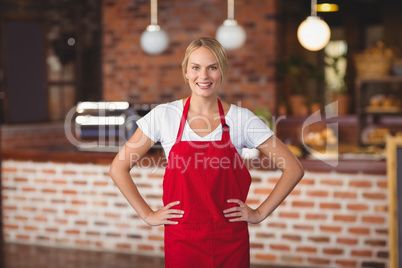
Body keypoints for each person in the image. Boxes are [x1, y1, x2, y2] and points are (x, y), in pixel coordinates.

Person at [109, 37, 304, 268]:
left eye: (212, 67)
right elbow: (118, 168)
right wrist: (147, 215)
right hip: (182, 239)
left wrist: (260, 213)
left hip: (230, 239)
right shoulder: (164, 116)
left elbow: (293, 168)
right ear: (185, 72)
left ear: (222, 71)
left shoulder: (241, 119)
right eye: (196, 67)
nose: (204, 75)